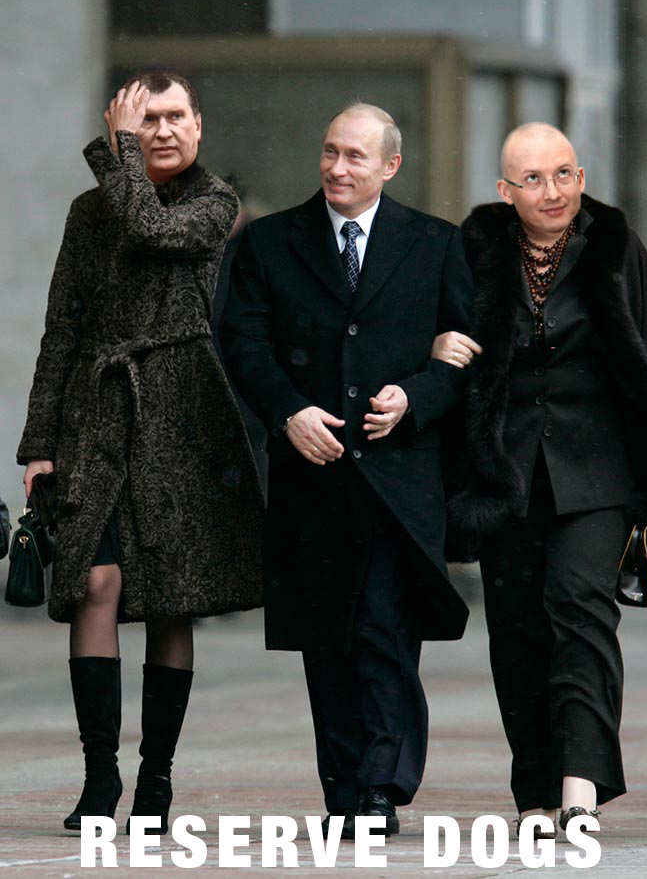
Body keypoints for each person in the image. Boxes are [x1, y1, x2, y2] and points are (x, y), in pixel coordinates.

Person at [436, 122, 647, 836]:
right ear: (505, 191)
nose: (551, 191)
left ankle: (579, 788)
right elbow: (439, 333)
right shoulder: (475, 255)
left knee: (579, 610)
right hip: (506, 472)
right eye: (532, 179)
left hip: (598, 471)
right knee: (516, 629)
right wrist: (439, 346)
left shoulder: (614, 250)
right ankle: (534, 794)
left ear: (580, 177)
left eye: (563, 174)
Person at [17, 70, 264, 833]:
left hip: (181, 415)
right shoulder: (88, 211)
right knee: (94, 581)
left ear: (199, 124)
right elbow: (62, 328)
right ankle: (101, 775)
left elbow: (153, 230)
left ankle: (157, 775)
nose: (160, 131)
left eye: (173, 117)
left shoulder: (215, 202)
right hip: (96, 413)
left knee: (169, 599)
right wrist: (38, 444)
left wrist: (116, 151)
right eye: (144, 119)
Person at [220, 102, 474, 837]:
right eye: (330, 151)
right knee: (327, 639)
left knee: (386, 631)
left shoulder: (435, 243)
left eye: (355, 156)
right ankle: (344, 788)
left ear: (390, 165)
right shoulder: (270, 242)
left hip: (399, 479)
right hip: (313, 475)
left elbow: (464, 352)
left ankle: (382, 786)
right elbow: (242, 343)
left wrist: (416, 396)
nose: (337, 167)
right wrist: (288, 412)